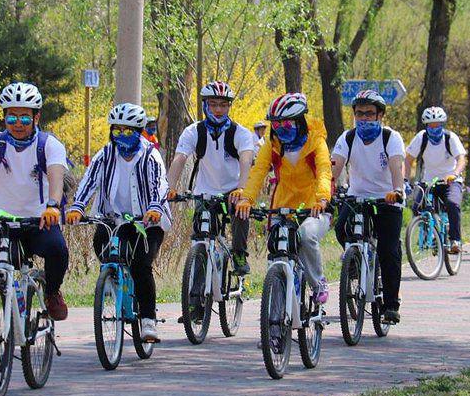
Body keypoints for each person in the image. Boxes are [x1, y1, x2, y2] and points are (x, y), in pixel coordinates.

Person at [66, 103, 171, 342]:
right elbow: (89, 180)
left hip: (146, 222)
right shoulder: (105, 154)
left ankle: (147, 320)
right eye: (117, 130)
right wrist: (77, 206)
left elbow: (160, 184)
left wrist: (155, 207)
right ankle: (113, 283)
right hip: (111, 218)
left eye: (128, 131)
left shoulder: (150, 155)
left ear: (139, 131)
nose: (122, 136)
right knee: (103, 248)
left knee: (141, 266)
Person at [0, 82, 71, 321]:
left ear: (36, 117)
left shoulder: (48, 144)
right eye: (11, 117)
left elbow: (56, 174)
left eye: (25, 118)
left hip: (40, 222)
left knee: (58, 251)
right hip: (2, 226)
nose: (17, 124)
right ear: (4, 117)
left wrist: (53, 205)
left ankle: (52, 292)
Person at [235, 93, 332, 305]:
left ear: (300, 120)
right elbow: (258, 172)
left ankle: (318, 283)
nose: (281, 129)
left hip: (314, 207)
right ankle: (275, 321)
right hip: (282, 206)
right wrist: (247, 199)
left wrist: (322, 199)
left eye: (286, 123)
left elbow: (325, 170)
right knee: (277, 250)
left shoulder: (316, 141)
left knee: (306, 236)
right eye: (276, 125)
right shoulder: (273, 144)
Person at [330, 89, 405, 322]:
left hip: (387, 198)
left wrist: (397, 190)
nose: (364, 118)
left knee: (388, 249)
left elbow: (396, 166)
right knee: (341, 228)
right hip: (356, 197)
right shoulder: (348, 138)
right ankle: (354, 263)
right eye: (360, 113)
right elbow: (336, 167)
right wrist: (326, 190)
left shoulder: (390, 137)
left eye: (370, 114)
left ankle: (391, 304)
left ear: (380, 115)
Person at [166, 81, 255, 274]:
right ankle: (197, 281)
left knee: (241, 213)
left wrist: (242, 188)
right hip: (205, 191)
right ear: (205, 105)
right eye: (213, 104)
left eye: (224, 105)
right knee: (201, 233)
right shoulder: (194, 131)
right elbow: (180, 158)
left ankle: (239, 253)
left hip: (234, 189)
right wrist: (169, 187)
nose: (219, 110)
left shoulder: (240, 133)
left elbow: (246, 160)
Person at [405, 106, 467, 255]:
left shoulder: (450, 138)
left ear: (442, 124)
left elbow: (461, 159)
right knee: (418, 207)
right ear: (426, 125)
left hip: (450, 180)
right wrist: (406, 179)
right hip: (429, 181)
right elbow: (407, 160)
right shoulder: (421, 137)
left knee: (452, 204)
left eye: (437, 124)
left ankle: (455, 240)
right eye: (431, 125)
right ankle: (431, 236)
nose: (434, 128)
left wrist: (455, 173)